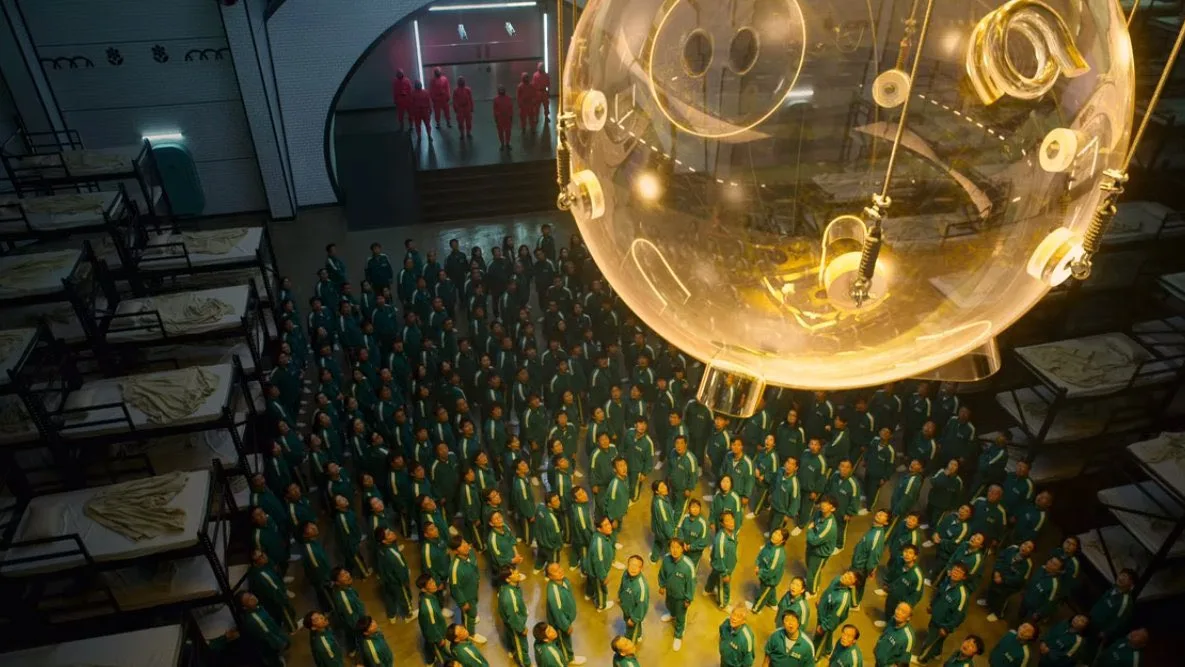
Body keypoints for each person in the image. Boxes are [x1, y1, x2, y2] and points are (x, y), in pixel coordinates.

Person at [917, 563, 972, 663]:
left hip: (942, 625)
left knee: (929, 643)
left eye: (959, 572)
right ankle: (937, 653)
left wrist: (946, 628)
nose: (955, 573)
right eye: (955, 570)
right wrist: (932, 605)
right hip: (935, 618)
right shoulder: (947, 581)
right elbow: (938, 595)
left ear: (964, 577)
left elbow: (959, 616)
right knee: (937, 640)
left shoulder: (962, 595)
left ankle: (922, 659)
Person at [980, 539, 1035, 623]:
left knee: (1001, 599)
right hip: (997, 575)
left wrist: (1003, 579)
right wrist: (997, 572)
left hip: (1009, 586)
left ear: (1030, 552)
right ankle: (988, 602)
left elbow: (1019, 579)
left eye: (1029, 547)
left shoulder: (1028, 564)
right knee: (991, 589)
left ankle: (998, 614)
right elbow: (1000, 558)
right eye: (1025, 544)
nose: (1025, 547)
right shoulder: (1012, 548)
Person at [543, 562, 587, 664]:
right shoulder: (553, 591)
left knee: (563, 640)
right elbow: (557, 612)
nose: (559, 571)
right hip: (560, 623)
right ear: (550, 577)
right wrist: (566, 626)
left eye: (559, 567)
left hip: (566, 618)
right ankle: (568, 659)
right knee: (564, 640)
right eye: (555, 571)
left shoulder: (564, 581)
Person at [658, 537, 696, 651]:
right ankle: (672, 615)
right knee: (669, 605)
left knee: (680, 616)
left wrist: (688, 599)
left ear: (682, 548)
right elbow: (662, 573)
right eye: (672, 547)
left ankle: (678, 635)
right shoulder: (666, 559)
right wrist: (662, 585)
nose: (674, 550)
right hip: (670, 593)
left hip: (681, 597)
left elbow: (691, 584)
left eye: (677, 547)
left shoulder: (688, 566)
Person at [248, 550, 296, 633]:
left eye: (263, 553)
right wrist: (283, 599)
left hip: (271, 600)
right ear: (256, 562)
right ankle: (293, 629)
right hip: (276, 599)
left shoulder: (259, 568)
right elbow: (274, 589)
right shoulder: (262, 575)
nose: (265, 556)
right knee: (286, 613)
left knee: (279, 614)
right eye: (261, 556)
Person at [237, 591, 289, 667]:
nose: (252, 598)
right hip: (267, 644)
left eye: (250, 595)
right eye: (248, 600)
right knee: (274, 660)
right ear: (245, 607)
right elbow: (268, 634)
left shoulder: (258, 607)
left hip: (270, 640)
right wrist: (281, 642)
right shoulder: (254, 620)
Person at [877, 544, 923, 630]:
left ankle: (893, 629)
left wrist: (906, 605)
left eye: (910, 553)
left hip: (902, 601)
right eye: (905, 551)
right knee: (889, 608)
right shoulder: (899, 562)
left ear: (915, 557)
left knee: (898, 616)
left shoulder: (917, 575)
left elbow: (917, 595)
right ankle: (887, 623)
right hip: (892, 593)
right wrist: (886, 583)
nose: (907, 555)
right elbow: (892, 572)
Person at [374, 527, 414, 623]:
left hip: (387, 578)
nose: (392, 533)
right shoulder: (392, 555)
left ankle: (391, 615)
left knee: (389, 596)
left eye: (390, 531)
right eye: (388, 534)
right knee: (404, 596)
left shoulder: (381, 549)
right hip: (397, 581)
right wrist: (405, 580)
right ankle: (408, 614)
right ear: (384, 541)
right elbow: (400, 569)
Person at [850, 509, 890, 608]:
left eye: (883, 515)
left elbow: (874, 555)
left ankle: (854, 604)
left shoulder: (877, 535)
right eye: (880, 512)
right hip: (858, 562)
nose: (879, 514)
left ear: (886, 522)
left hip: (860, 566)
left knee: (856, 585)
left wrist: (870, 570)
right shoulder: (874, 528)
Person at [814, 570, 857, 659]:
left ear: (851, 585)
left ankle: (815, 657)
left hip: (827, 621)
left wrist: (823, 627)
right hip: (823, 614)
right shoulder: (837, 579)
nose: (846, 577)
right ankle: (828, 650)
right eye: (847, 574)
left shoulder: (843, 599)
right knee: (828, 635)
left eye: (850, 578)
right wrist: (821, 601)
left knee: (820, 639)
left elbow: (834, 619)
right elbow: (827, 592)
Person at [1089, 568, 1135, 651]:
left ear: (1131, 585)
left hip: (1097, 630)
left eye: (1125, 578)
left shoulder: (1125, 603)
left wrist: (1105, 633)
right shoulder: (1113, 588)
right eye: (1121, 575)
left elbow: (1118, 622)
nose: (1121, 578)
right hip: (1090, 619)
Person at [496, 566, 530, 667]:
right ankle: (526, 664)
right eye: (513, 573)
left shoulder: (506, 587)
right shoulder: (510, 597)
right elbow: (513, 617)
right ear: (507, 579)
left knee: (510, 635)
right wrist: (521, 629)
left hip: (509, 620)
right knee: (521, 645)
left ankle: (512, 649)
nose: (517, 572)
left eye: (515, 570)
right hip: (516, 624)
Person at [805, 497, 839, 594]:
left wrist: (809, 530)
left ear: (833, 509)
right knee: (811, 568)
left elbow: (814, 541)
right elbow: (813, 522)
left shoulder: (829, 526)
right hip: (813, 547)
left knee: (814, 572)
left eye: (828, 504)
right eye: (823, 502)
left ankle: (812, 591)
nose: (823, 505)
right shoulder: (818, 513)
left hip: (820, 553)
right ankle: (813, 582)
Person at [707, 509, 740, 611]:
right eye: (727, 521)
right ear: (722, 524)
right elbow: (719, 559)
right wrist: (724, 574)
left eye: (732, 519)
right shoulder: (720, 540)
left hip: (728, 564)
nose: (731, 522)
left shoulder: (733, 533)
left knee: (714, 576)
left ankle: (708, 589)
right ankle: (723, 604)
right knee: (724, 586)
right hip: (723, 568)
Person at [825, 458, 860, 550]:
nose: (844, 469)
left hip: (842, 512)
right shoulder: (834, 476)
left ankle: (839, 546)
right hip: (831, 508)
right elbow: (828, 488)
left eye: (847, 467)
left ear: (851, 469)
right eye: (842, 466)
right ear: (838, 467)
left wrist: (849, 513)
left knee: (840, 528)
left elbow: (855, 500)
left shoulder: (853, 484)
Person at [750, 528, 787, 613]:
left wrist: (759, 572)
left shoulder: (778, 555)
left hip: (769, 580)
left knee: (762, 593)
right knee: (769, 590)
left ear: (783, 540)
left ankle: (756, 609)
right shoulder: (769, 544)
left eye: (779, 535)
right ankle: (772, 603)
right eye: (775, 532)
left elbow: (770, 572)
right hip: (763, 572)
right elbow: (761, 554)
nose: (775, 535)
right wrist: (757, 564)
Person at [416, 575, 451, 664]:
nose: (434, 584)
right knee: (442, 655)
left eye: (433, 581)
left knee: (429, 645)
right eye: (430, 584)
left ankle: (429, 661)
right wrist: (439, 639)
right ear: (423, 589)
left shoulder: (428, 596)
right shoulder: (428, 607)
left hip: (431, 631)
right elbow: (432, 626)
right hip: (435, 636)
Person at [1020, 556, 1065, 624]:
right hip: (1025, 600)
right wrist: (1025, 591)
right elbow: (1032, 581)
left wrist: (1039, 613)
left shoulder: (1054, 585)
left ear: (1059, 571)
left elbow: (1049, 603)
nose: (1050, 564)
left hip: (1033, 610)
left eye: (1054, 565)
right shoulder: (1042, 568)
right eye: (1050, 561)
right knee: (1020, 615)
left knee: (1027, 624)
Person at [585, 515, 617, 610]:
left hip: (590, 569)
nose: (609, 526)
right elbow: (598, 563)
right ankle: (601, 605)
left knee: (591, 582)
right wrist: (603, 577)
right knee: (601, 589)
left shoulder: (599, 536)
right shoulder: (598, 543)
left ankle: (588, 594)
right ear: (599, 529)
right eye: (606, 525)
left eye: (609, 523)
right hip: (597, 573)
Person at [618, 554, 650, 644]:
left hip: (634, 614)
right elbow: (622, 586)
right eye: (631, 565)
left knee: (633, 631)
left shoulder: (641, 587)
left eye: (637, 566)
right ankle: (638, 634)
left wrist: (634, 619)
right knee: (627, 623)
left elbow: (642, 606)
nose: (633, 568)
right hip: (626, 608)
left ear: (641, 568)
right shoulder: (625, 574)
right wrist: (620, 596)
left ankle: (632, 640)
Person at [873, 603, 916, 667]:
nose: (898, 612)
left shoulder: (907, 638)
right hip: (879, 662)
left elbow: (904, 662)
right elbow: (884, 634)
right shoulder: (892, 620)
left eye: (903, 612)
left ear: (908, 618)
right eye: (898, 609)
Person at [769, 457, 801, 536]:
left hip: (782, 511)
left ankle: (771, 541)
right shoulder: (780, 471)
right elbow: (774, 483)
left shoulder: (794, 483)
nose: (789, 466)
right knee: (770, 522)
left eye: (792, 464)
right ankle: (770, 533)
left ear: (796, 468)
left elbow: (795, 501)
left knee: (776, 529)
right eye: (788, 462)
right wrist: (771, 494)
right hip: (774, 505)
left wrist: (788, 515)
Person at [650, 479, 678, 562]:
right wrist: (671, 535)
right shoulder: (660, 504)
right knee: (667, 547)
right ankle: (668, 562)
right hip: (664, 532)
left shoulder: (661, 498)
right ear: (657, 491)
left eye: (664, 485)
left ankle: (654, 558)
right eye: (661, 487)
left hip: (657, 529)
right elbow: (665, 522)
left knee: (657, 542)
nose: (665, 487)